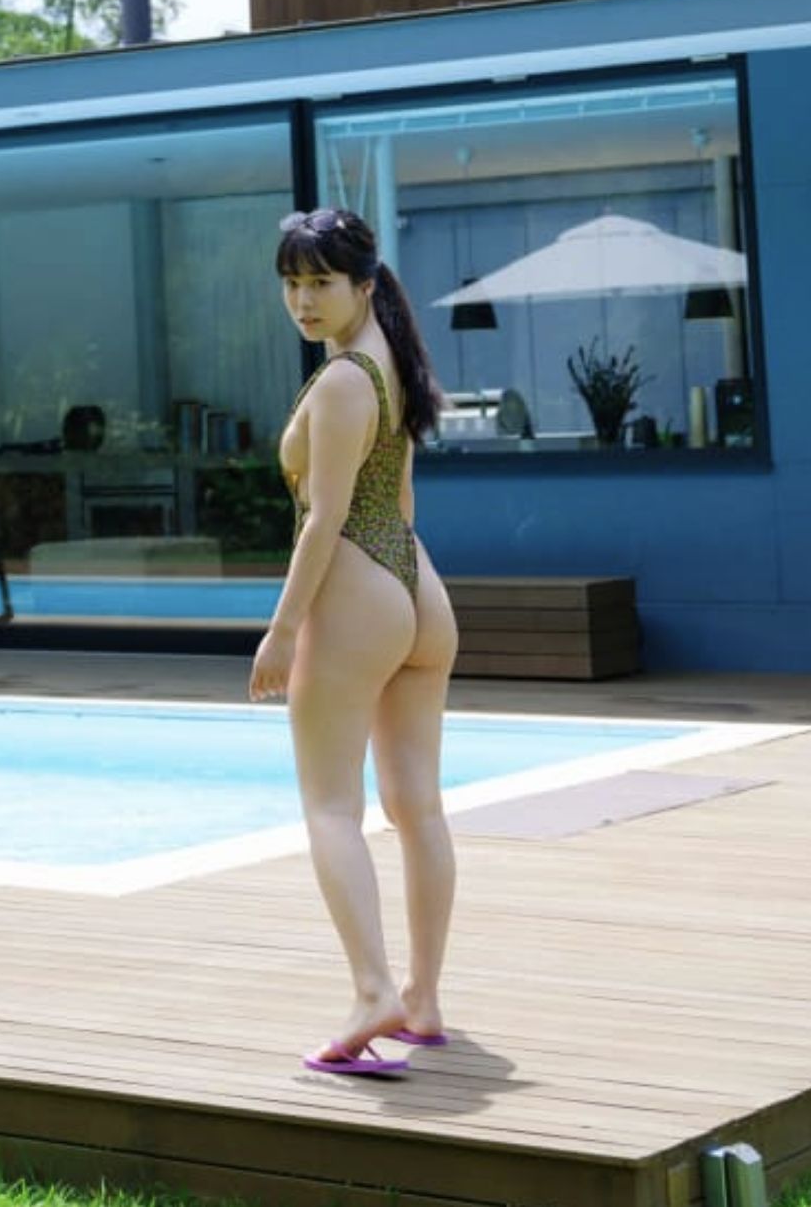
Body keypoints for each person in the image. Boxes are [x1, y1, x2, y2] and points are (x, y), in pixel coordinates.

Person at [249, 207, 461, 1077]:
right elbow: (398, 500)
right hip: (416, 588)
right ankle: (423, 1001)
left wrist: (282, 630)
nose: (303, 300)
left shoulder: (343, 381)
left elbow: (323, 522)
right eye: (291, 283)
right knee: (419, 808)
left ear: (363, 285)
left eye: (320, 283)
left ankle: (374, 993)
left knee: (332, 807)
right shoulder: (390, 359)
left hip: (357, 593)